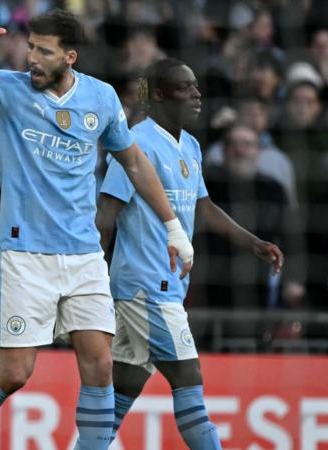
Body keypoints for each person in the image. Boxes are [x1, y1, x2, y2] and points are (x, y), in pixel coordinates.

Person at [0, 7, 194, 450]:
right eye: (30, 47)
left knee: (100, 364)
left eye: (43, 52)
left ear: (69, 57)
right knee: (14, 374)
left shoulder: (101, 98)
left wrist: (173, 228)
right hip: (25, 254)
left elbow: (136, 164)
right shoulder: (7, 89)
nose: (32, 58)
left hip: (85, 254)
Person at [96, 58, 284, 448]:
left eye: (196, 86)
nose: (197, 94)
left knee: (118, 400)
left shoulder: (192, 146)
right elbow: (106, 215)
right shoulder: (135, 144)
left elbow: (203, 208)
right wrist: (92, 284)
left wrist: (253, 242)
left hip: (167, 287)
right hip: (144, 287)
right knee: (188, 377)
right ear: (161, 94)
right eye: (186, 88)